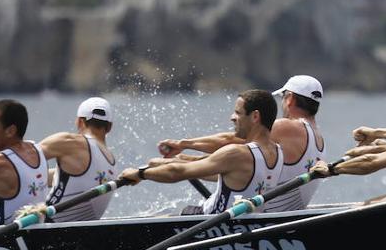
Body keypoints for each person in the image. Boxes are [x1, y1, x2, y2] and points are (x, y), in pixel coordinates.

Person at [157, 75, 324, 212]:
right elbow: (240, 165)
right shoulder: (318, 137)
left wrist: (182, 144)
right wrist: (186, 161)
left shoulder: (286, 127)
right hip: (281, 216)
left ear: (290, 99)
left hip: (265, 219)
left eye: (282, 97)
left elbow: (230, 140)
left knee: (186, 211)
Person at [122, 90, 284, 215]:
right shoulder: (277, 151)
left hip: (212, 224)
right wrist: (168, 162)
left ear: (255, 116)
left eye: (238, 113)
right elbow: (220, 173)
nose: (232, 118)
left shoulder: (237, 153)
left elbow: (177, 173)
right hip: (242, 225)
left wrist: (139, 174)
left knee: (164, 218)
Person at [37, 97, 120, 222]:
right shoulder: (110, 160)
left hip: (47, 225)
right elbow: (72, 180)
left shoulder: (70, 142)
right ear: (109, 127)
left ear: (80, 122)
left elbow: (23, 158)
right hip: (81, 230)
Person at [0, 99, 50, 225]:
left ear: (10, 131)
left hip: (4, 238)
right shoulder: (37, 150)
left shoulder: (0, 164)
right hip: (32, 232)